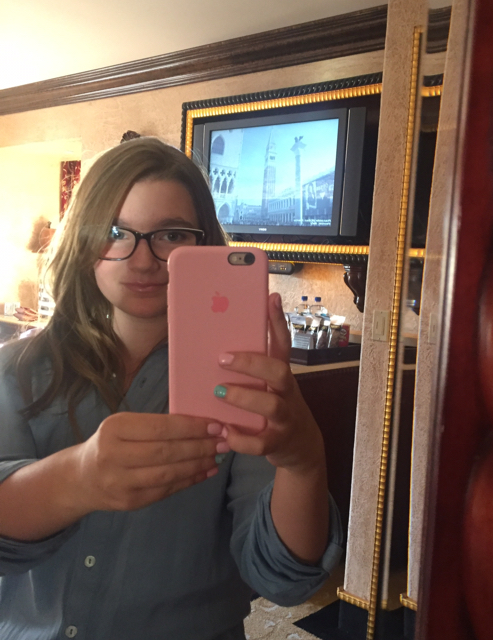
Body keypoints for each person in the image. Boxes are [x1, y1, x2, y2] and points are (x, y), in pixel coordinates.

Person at [0, 137, 342, 640]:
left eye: (172, 235)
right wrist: (77, 478)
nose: (142, 260)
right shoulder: (15, 371)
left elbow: (284, 578)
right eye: (116, 232)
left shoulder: (243, 381)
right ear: (83, 242)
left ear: (204, 246)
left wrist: (304, 461)